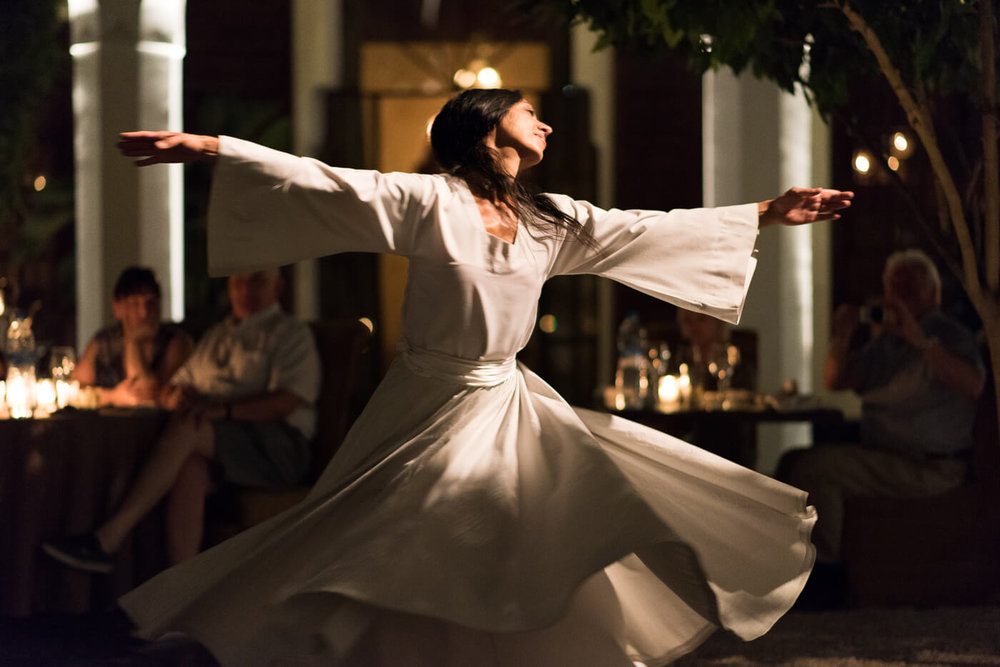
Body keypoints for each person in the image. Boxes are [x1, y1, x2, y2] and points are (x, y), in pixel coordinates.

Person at [102, 89, 851, 666]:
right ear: (489, 126)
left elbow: (642, 228)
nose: (548, 126)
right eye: (532, 115)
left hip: (506, 400)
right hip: (426, 400)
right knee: (381, 543)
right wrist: (209, 147)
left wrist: (766, 212)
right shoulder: (432, 202)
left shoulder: (549, 220)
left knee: (543, 527)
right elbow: (332, 183)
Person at [44, 269, 320, 568]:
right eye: (238, 280)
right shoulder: (219, 335)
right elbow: (176, 386)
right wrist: (176, 396)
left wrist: (222, 411)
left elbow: (287, 402)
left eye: (256, 281)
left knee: (191, 426)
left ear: (277, 287)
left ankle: (110, 537)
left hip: (277, 445)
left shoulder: (291, 333)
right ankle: (179, 582)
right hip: (221, 441)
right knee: (190, 467)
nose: (244, 289)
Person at [781, 249, 985, 570]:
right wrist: (842, 335)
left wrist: (921, 340)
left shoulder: (946, 333)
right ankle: (788, 560)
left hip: (930, 467)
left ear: (934, 293)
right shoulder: (887, 342)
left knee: (816, 468)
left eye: (911, 285)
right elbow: (836, 380)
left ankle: (824, 570)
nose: (901, 294)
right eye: (894, 286)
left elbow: (974, 386)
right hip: (888, 457)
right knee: (792, 461)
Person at [74, 266, 192, 406]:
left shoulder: (176, 342)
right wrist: (112, 396)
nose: (144, 313)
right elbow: (73, 391)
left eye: (150, 303)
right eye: (134, 304)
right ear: (117, 307)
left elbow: (146, 395)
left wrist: (132, 342)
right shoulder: (103, 342)